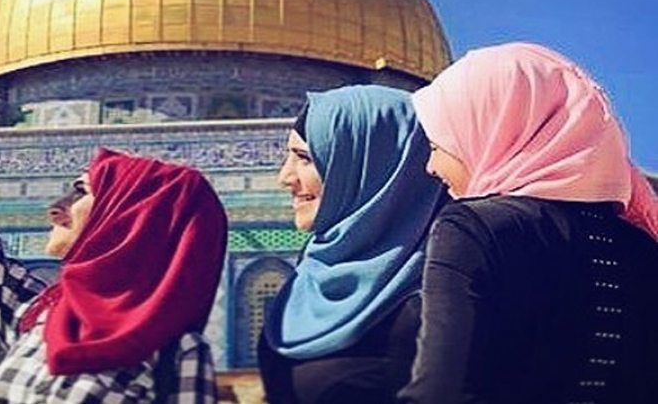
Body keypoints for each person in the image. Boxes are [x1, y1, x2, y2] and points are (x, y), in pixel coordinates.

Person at [0, 14, 228, 403]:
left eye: (79, 192)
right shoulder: (40, 317)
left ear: (128, 220)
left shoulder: (173, 352)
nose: (55, 208)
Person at [398, 42, 658, 403]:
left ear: (492, 129)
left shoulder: (476, 228)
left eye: (438, 145)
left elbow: (442, 391)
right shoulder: (644, 245)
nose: (431, 165)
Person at [259, 85, 446, 404]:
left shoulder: (434, 302)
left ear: (369, 166)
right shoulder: (309, 277)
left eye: (305, 158)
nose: (284, 177)